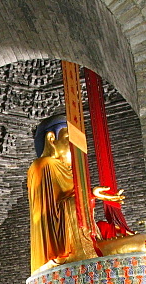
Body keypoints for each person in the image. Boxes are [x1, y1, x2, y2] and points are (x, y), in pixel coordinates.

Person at [27, 114, 98, 273]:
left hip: (81, 235)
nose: (75, 149)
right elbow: (53, 213)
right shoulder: (45, 165)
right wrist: (90, 195)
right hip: (63, 244)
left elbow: (74, 201)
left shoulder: (71, 173)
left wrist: (91, 195)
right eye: (69, 140)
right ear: (52, 139)